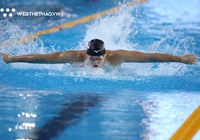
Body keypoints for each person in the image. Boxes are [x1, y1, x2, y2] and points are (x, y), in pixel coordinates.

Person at [0, 39, 198, 68]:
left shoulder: (117, 56)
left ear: (105, 55)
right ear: (86, 54)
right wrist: (13, 59)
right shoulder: (74, 56)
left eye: (98, 58)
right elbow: (43, 59)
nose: (95, 62)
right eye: (91, 57)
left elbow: (150, 57)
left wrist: (180, 59)